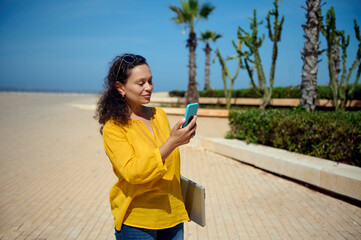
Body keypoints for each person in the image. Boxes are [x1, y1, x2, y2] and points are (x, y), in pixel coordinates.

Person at [95, 53, 197, 240]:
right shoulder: (114, 127)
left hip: (173, 217)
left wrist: (181, 138)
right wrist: (172, 142)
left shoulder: (160, 115)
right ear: (120, 87)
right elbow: (133, 172)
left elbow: (168, 162)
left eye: (150, 81)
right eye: (141, 83)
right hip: (137, 221)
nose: (149, 87)